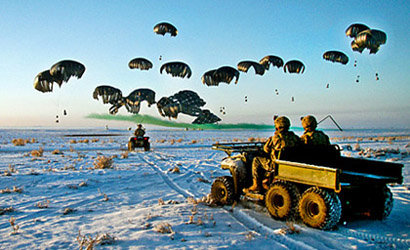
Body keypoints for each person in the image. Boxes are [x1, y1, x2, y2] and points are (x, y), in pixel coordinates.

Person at [244, 116, 301, 193]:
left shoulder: (275, 138)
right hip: (290, 164)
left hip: (276, 165)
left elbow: (266, 150)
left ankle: (256, 185)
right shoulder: (295, 138)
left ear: (277, 127)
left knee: (256, 160)